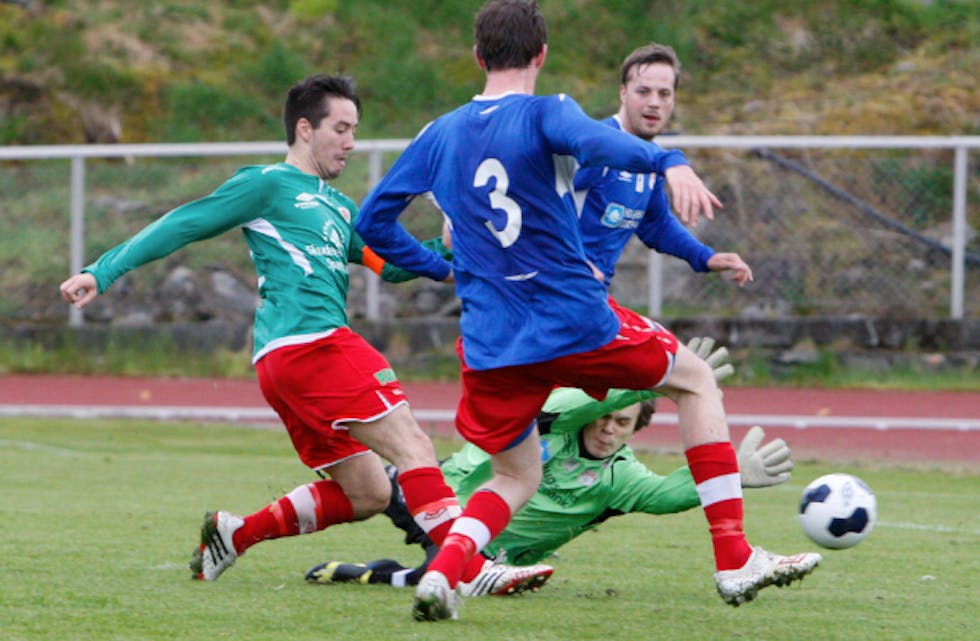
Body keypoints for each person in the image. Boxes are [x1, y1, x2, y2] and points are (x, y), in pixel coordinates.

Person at [354, 0, 819, 620]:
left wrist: (446, 265)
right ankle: (734, 559)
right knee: (697, 380)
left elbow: (372, 221)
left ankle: (443, 573)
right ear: (542, 54)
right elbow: (606, 143)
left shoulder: (440, 132)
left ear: (477, 56)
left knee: (516, 477)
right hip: (572, 318)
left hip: (492, 340)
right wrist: (670, 160)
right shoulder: (550, 112)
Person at [58, 74, 478, 586]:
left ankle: (235, 535)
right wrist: (102, 271)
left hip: (286, 363)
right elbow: (182, 223)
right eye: (341, 129)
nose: (351, 142)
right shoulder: (267, 184)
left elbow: (389, 265)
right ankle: (468, 569)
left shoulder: (342, 209)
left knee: (369, 492)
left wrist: (450, 249)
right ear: (305, 128)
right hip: (312, 343)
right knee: (415, 445)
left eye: (354, 131)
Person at [305, 342, 795, 597]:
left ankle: (375, 576)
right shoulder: (558, 422)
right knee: (365, 489)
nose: (607, 428)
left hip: (491, 548)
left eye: (621, 423)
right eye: (605, 417)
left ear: (633, 431)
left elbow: (667, 494)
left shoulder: (620, 479)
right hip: (443, 492)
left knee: (453, 575)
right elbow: (581, 398)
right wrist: (659, 381)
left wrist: (732, 473)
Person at [574, 43, 753, 287]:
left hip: (588, 295)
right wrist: (570, 260)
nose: (654, 103)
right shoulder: (595, 148)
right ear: (623, 93)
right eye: (643, 92)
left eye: (664, 94)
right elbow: (530, 203)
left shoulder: (649, 162)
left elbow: (656, 225)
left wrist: (705, 256)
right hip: (551, 294)